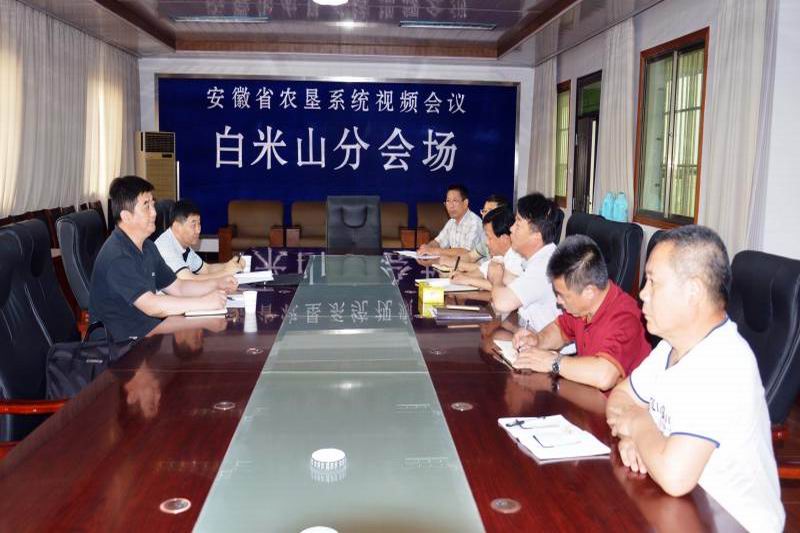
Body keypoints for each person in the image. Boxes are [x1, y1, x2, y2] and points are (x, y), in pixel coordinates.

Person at [606, 225, 784, 532]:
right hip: (681, 508)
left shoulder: (723, 363)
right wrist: (634, 439)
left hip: (731, 521)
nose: (643, 293)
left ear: (693, 291)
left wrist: (638, 424)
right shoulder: (671, 346)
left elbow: (675, 476)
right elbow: (619, 398)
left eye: (653, 282)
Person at [89, 176, 236, 341]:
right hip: (120, 345)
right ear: (126, 216)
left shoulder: (148, 247)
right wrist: (204, 302)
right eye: (146, 206)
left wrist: (217, 283)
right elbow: (151, 305)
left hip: (148, 332)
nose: (154, 212)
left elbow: (179, 287)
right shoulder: (118, 256)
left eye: (153, 204)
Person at [512, 234, 650, 391]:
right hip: (585, 395)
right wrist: (537, 340)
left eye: (563, 295)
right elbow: (560, 329)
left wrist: (553, 362)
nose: (558, 301)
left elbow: (604, 376)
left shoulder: (626, 318)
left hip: (616, 404)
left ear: (589, 291)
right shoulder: (581, 308)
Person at [489, 193, 560, 331]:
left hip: (543, 340)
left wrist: (496, 279)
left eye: (518, 223)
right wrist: (502, 273)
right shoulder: (541, 256)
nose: (511, 228)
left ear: (536, 236)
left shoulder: (545, 266)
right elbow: (521, 283)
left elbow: (502, 303)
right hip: (527, 330)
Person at [155, 199, 244, 280]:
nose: (198, 230)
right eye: (193, 225)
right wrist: (226, 272)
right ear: (177, 226)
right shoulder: (165, 246)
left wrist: (230, 265)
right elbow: (188, 280)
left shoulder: (184, 246)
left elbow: (207, 269)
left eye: (199, 224)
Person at [451, 206, 523, 291]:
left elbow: (504, 287)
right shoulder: (499, 256)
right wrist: (462, 276)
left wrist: (467, 280)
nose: (486, 242)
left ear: (504, 239)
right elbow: (482, 270)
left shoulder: (517, 257)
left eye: (489, 237)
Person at [417, 184, 485, 258]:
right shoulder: (451, 222)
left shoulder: (474, 223)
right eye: (448, 201)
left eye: (455, 201)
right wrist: (427, 248)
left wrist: (434, 251)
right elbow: (438, 242)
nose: (451, 206)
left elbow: (466, 252)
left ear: (465, 203)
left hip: (474, 264)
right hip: (455, 264)